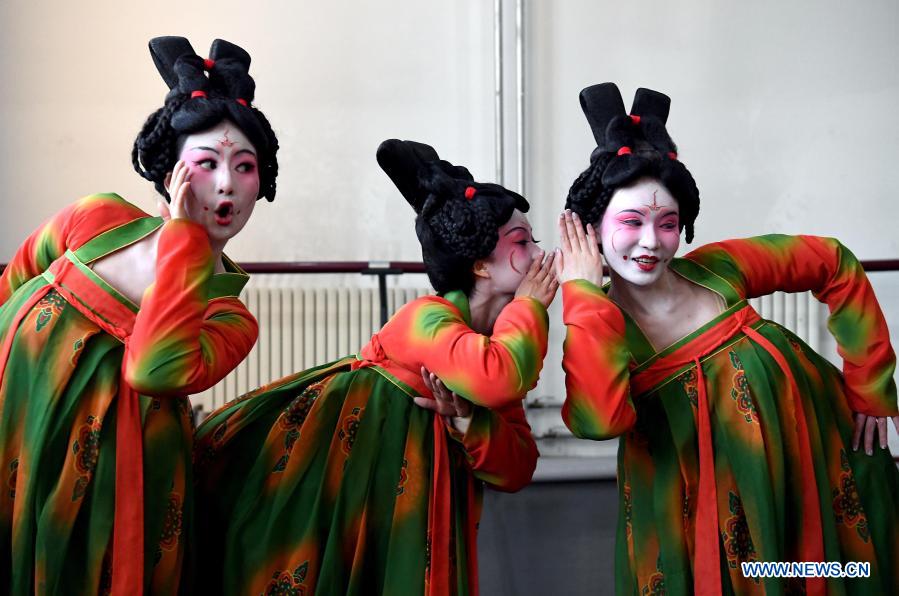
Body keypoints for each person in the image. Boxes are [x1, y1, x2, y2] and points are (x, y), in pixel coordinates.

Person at [555, 82, 899, 595]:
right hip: (704, 524)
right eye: (631, 221)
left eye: (667, 224)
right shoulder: (601, 326)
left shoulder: (719, 270)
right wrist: (581, 291)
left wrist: (871, 384)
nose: (651, 242)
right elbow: (598, 420)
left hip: (808, 475)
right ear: (590, 228)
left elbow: (834, 262)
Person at [193, 139, 556, 595]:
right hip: (354, 493)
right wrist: (531, 308)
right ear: (480, 264)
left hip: (418, 508)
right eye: (523, 242)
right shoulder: (429, 318)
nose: (540, 256)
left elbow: (517, 467)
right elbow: (498, 378)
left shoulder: (502, 349)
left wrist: (468, 421)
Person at [0, 36, 279, 594]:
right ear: (170, 171)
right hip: (15, 434)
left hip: (114, 484)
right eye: (207, 163)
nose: (226, 184)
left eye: (245, 167)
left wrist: (184, 243)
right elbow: (14, 282)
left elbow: (155, 369)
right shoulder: (95, 218)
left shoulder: (228, 315)